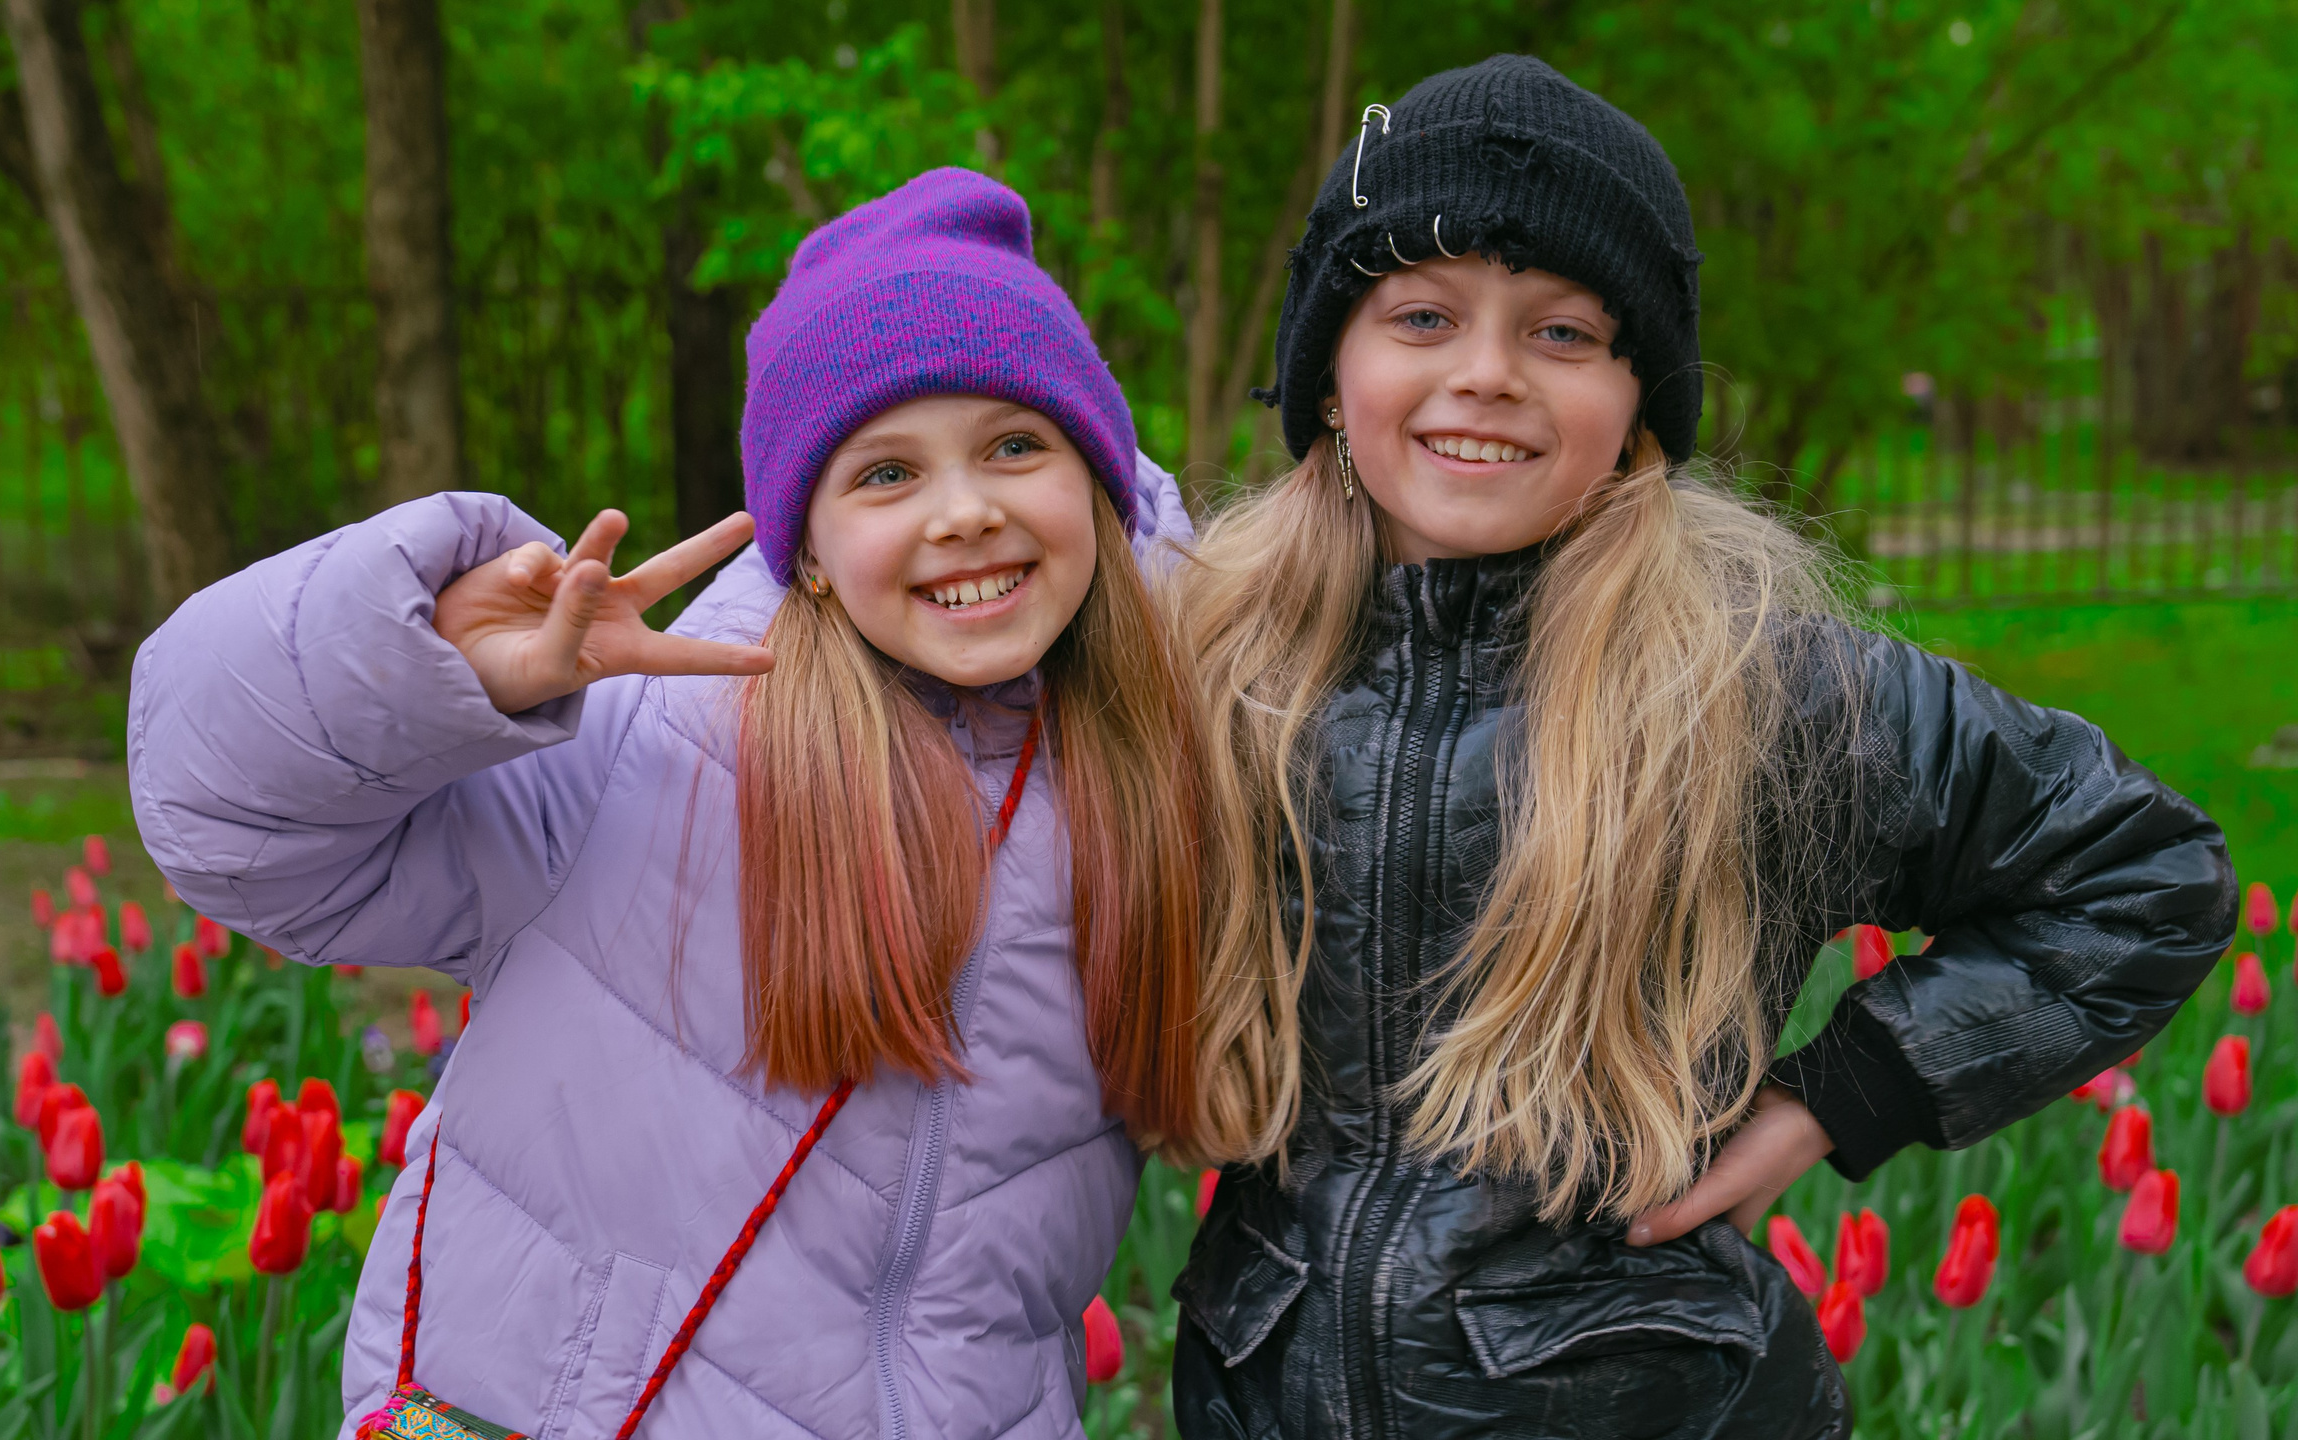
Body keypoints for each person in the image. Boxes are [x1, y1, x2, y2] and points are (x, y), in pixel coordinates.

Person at [1165, 55, 2233, 1438]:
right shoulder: (1209, 660)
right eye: (1421, 315)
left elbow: (2146, 873)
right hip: (1264, 1387)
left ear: (1638, 407)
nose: (1484, 375)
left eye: (1564, 334)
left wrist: (1840, 1096)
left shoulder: (1752, 690)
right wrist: (788, 609)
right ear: (1328, 374)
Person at [129, 168, 1212, 1440]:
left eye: (1015, 446)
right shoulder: (647, 745)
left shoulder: (1169, 767)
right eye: (885, 475)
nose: (964, 512)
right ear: (803, 542)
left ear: (1095, 478)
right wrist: (424, 671)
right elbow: (222, 821)